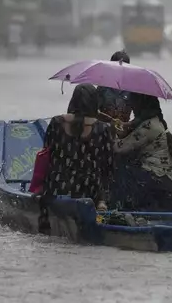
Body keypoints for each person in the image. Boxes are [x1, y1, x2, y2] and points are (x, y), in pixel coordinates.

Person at [39, 84, 114, 232]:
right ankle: (101, 205)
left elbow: (46, 153)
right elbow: (108, 166)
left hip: (56, 186)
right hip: (89, 189)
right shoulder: (103, 128)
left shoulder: (56, 122)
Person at [110, 93, 172, 211]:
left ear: (140, 104)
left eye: (133, 103)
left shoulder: (149, 126)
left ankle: (120, 208)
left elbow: (118, 148)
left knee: (121, 168)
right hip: (171, 182)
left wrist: (109, 130)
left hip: (165, 183)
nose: (131, 108)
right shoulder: (155, 121)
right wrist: (125, 127)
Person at [98, 51, 132, 123]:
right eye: (117, 66)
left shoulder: (132, 89)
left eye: (123, 67)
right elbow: (95, 109)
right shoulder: (103, 87)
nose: (120, 70)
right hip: (104, 128)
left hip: (124, 129)